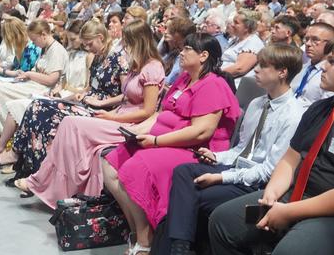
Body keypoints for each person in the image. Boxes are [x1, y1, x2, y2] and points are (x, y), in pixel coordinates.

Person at [209, 35, 334, 255]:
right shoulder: (321, 109)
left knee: (291, 251)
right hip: (300, 196)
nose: (323, 66)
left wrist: (289, 211)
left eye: (333, 62)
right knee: (223, 221)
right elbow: (290, 159)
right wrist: (273, 191)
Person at [103, 33, 241, 255]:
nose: (182, 53)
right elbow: (161, 114)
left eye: (188, 49)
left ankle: (146, 239)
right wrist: (136, 132)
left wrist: (156, 141)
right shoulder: (184, 79)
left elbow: (200, 132)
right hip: (164, 141)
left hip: (196, 151)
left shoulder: (213, 84)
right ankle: (136, 229)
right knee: (110, 163)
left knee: (135, 167)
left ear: (203, 55)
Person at [160, 44, 305, 255]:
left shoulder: (294, 115)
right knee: (183, 172)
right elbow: (240, 149)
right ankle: (180, 248)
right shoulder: (257, 103)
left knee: (189, 200)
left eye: (263, 66)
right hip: (237, 168)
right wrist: (216, 156)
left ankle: (177, 248)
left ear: (282, 72)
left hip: (256, 183)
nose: (255, 69)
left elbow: (269, 171)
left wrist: (221, 178)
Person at [14, 20, 165, 204]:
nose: (124, 46)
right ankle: (46, 182)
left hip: (130, 123)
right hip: (119, 115)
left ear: (139, 41)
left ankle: (47, 183)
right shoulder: (138, 65)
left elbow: (147, 111)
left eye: (127, 42)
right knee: (67, 123)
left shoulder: (153, 68)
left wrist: (110, 114)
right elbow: (127, 97)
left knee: (70, 123)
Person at [9, 19, 128, 177]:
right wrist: (75, 96)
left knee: (46, 115)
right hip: (87, 101)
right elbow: (90, 87)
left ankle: (39, 170)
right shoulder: (98, 57)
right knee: (37, 105)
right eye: (85, 44)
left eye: (90, 44)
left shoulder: (119, 58)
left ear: (100, 37)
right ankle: (29, 163)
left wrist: (102, 102)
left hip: (101, 108)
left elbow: (126, 94)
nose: (87, 48)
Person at [0, 20, 68, 154]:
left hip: (41, 89)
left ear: (43, 34)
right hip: (33, 83)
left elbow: (51, 80)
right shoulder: (46, 48)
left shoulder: (57, 50)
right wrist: (26, 74)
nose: (33, 42)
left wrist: (29, 74)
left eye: (34, 39)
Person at [290, 22, 334, 108]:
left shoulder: (332, 75)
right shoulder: (302, 66)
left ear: (330, 44)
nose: (308, 44)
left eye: (315, 40)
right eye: (307, 39)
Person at [221, 10, 265, 88]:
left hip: (233, 85)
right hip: (223, 80)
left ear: (247, 28)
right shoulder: (237, 39)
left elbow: (240, 68)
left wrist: (214, 74)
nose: (232, 25)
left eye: (236, 22)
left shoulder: (253, 42)